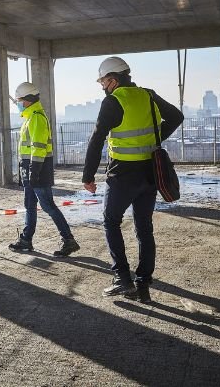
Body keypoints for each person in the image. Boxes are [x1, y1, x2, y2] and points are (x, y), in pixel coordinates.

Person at [82, 57, 183, 301]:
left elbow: (97, 139)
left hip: (123, 174)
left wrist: (88, 176)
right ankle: (143, 284)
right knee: (144, 227)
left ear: (113, 80)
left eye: (103, 81)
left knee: (111, 222)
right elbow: (176, 117)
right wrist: (155, 138)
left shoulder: (113, 101)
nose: (102, 86)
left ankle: (122, 279)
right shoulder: (148, 95)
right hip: (150, 172)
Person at [9, 82, 80, 257]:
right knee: (30, 205)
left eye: (18, 100)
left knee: (48, 205)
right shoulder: (29, 117)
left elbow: (38, 147)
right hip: (30, 168)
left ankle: (69, 240)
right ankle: (26, 240)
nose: (18, 104)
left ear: (27, 100)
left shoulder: (37, 117)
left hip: (37, 169)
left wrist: (34, 171)